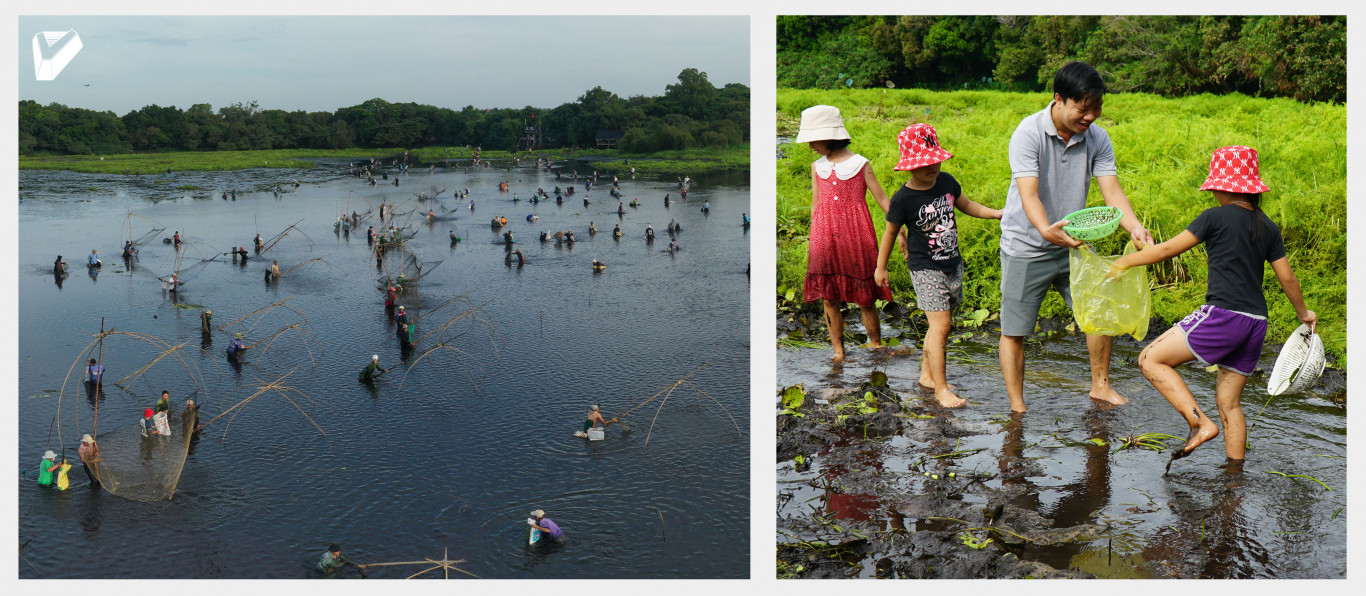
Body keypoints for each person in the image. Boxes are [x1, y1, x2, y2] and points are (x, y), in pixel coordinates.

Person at [1109, 145, 1315, 467]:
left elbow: (1165, 251)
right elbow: (1287, 277)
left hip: (1224, 316)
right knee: (1229, 403)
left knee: (1150, 359)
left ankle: (1199, 423)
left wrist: (1123, 262)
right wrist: (1303, 314)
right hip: (1256, 323)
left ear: (1223, 188)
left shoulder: (1214, 217)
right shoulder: (1267, 226)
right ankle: (1234, 476)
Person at [997, 61, 1153, 413]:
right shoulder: (1028, 133)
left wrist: (1134, 227)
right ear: (1059, 99)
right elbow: (1029, 194)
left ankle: (1101, 387)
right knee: (1015, 329)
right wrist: (1045, 230)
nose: (1091, 117)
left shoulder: (1097, 137)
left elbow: (1112, 191)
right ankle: (1017, 407)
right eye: (1084, 109)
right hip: (1026, 244)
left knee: (1098, 312)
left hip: (1075, 244)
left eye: (1097, 108)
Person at [875, 123, 1002, 408]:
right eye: (923, 164)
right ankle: (941, 390)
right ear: (909, 166)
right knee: (941, 326)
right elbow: (890, 233)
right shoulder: (903, 199)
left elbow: (966, 205)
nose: (931, 167)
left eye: (935, 161)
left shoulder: (946, 182)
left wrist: (995, 214)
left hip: (951, 263)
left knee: (937, 327)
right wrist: (881, 267)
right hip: (925, 268)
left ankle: (927, 376)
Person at [796, 105, 894, 364]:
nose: (810, 146)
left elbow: (883, 199)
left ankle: (875, 345)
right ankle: (838, 351)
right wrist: (814, 237)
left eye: (813, 140)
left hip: (856, 235)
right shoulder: (817, 167)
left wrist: (901, 230)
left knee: (865, 297)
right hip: (824, 236)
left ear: (829, 136)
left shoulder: (861, 164)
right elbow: (816, 205)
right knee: (829, 297)